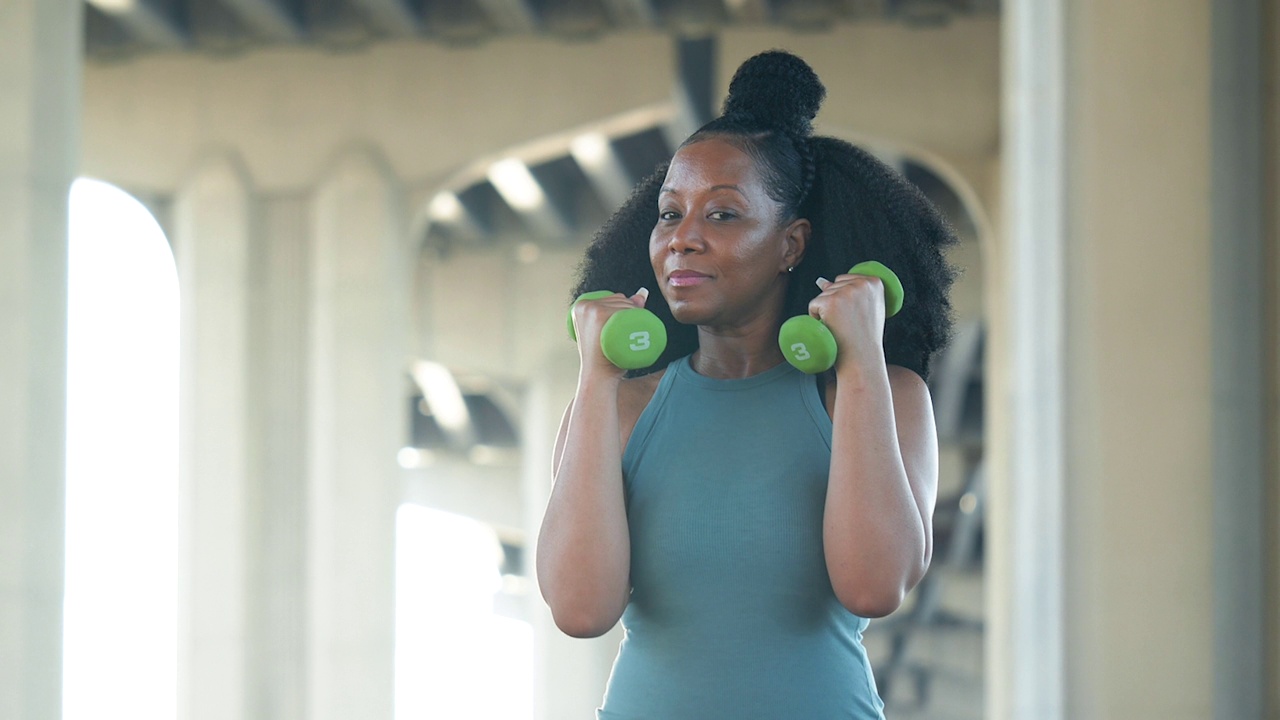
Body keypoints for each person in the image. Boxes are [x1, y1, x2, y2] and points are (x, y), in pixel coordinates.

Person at [536, 49, 958, 719]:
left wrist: (862, 359)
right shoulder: (617, 406)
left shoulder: (880, 393)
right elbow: (580, 608)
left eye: (722, 215)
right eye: (671, 214)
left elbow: (874, 586)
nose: (684, 239)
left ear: (791, 244)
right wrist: (594, 376)